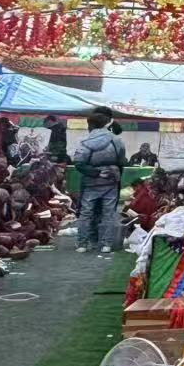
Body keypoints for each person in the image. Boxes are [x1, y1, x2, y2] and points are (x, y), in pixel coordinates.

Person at [72, 108, 125, 255]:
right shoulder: (116, 140)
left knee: (86, 213)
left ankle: (82, 244)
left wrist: (95, 173)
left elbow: (79, 163)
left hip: (91, 182)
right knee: (109, 213)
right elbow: (122, 161)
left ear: (90, 125)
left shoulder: (85, 142)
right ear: (106, 124)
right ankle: (106, 245)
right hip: (111, 180)